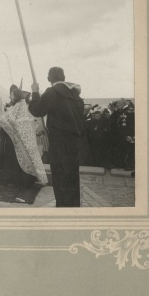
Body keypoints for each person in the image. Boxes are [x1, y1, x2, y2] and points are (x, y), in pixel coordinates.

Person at [29, 66, 85, 207]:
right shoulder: (76, 95)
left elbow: (37, 110)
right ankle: (73, 205)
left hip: (59, 141)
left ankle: (62, 206)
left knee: (60, 176)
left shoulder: (52, 92)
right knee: (72, 175)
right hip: (74, 141)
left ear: (49, 79)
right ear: (64, 77)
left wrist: (35, 93)